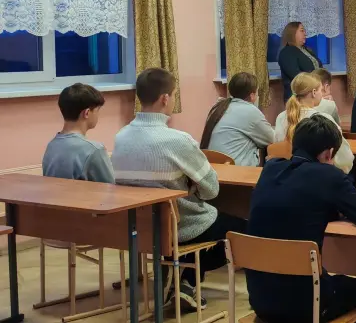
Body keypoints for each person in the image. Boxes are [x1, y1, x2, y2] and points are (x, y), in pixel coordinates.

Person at [111, 68, 246, 310]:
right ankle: (185, 280)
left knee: (190, 221)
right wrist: (192, 187)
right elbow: (212, 189)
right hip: (183, 226)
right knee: (246, 230)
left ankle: (183, 281)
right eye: (174, 95)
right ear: (165, 98)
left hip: (142, 227)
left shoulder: (121, 137)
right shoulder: (178, 140)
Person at [247, 115, 356, 323]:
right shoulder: (329, 176)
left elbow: (303, 206)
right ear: (329, 153)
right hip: (306, 305)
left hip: (260, 300)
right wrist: (353, 204)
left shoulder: (270, 169)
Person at [275, 73, 354, 174]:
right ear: (314, 92)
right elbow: (345, 158)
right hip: (316, 175)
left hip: (286, 174)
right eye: (321, 90)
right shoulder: (322, 120)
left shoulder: (280, 117)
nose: (322, 94)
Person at [43, 83, 114, 183]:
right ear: (87, 113)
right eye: (97, 110)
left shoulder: (51, 146)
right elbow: (110, 188)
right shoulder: (94, 150)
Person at [200, 72, 275, 167]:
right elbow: (272, 139)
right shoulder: (250, 111)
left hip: (213, 167)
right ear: (252, 95)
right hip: (235, 169)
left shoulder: (218, 107)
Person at [277, 22, 321, 103]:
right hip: (298, 98)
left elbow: (319, 68)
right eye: (302, 30)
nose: (305, 34)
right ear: (292, 33)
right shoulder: (287, 52)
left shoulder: (307, 50)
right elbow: (296, 76)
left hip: (314, 94)